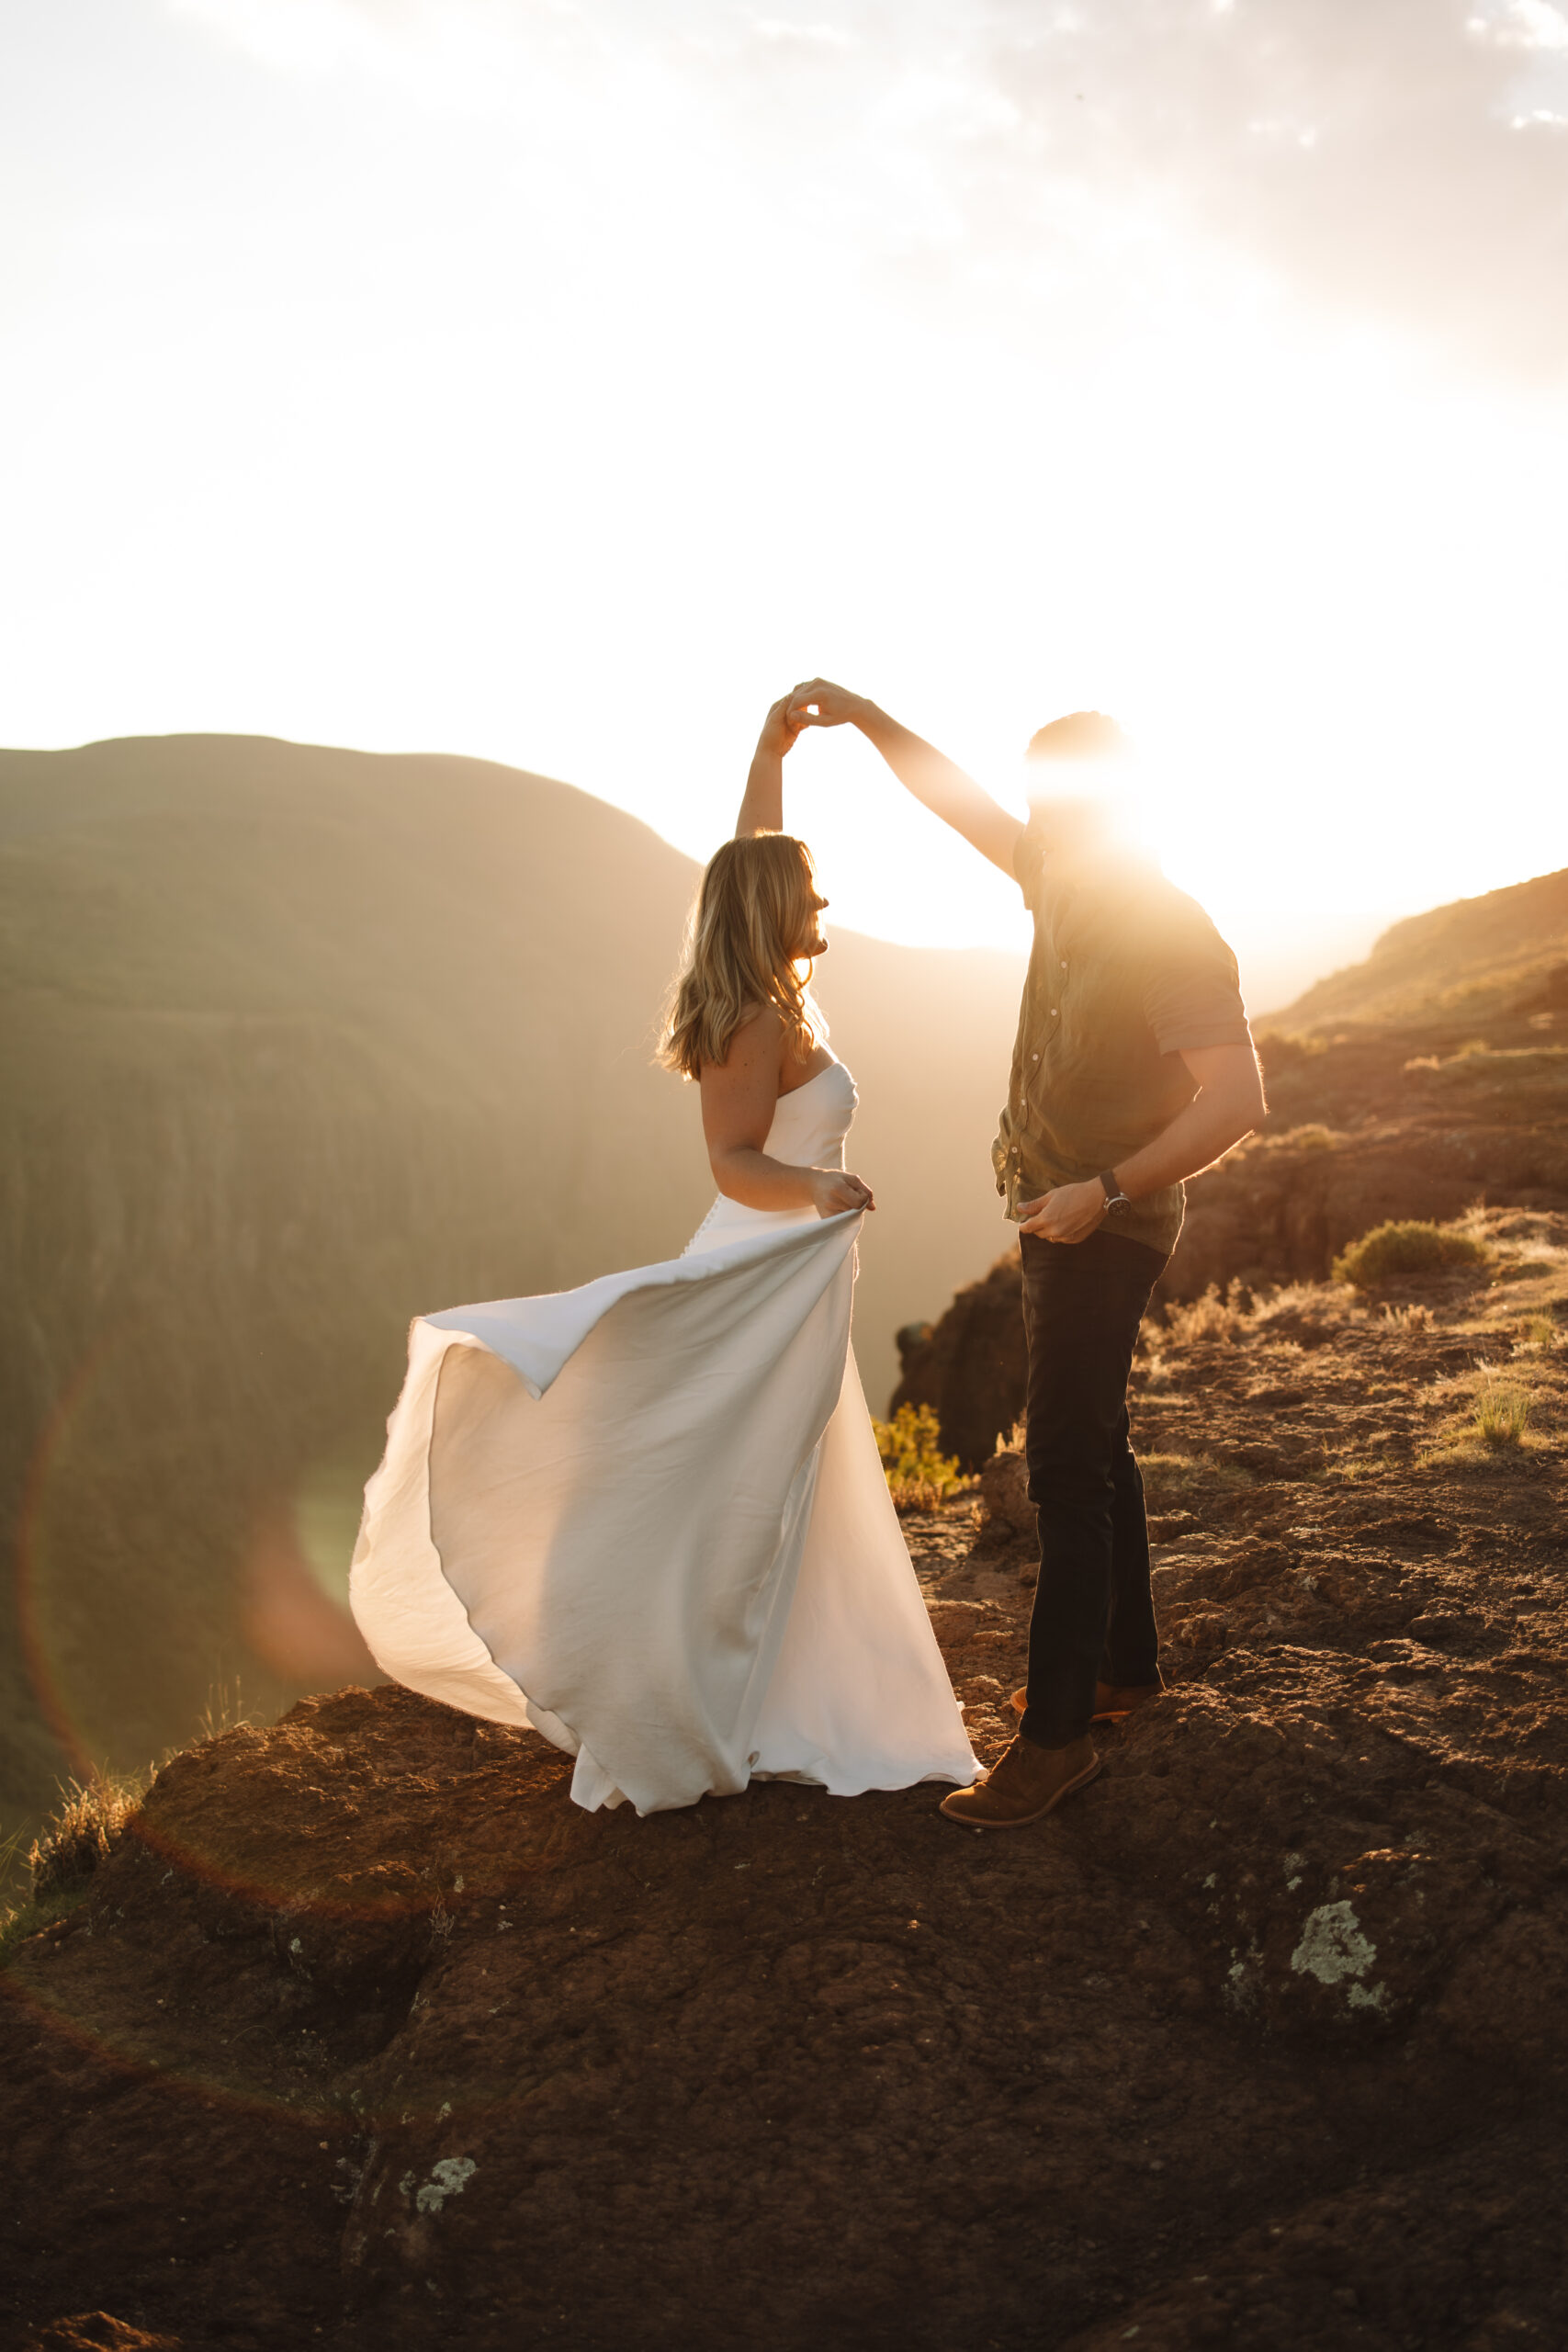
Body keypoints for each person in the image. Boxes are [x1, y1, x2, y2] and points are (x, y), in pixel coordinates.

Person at [349, 695, 977, 1816]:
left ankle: (779, 1687)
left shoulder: (778, 985)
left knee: (787, 1481)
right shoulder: (753, 1022)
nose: (826, 899)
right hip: (762, 1271)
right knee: (731, 1486)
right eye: (812, 890)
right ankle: (673, 1693)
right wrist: (820, 1186)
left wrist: (768, 757)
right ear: (779, 911)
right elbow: (734, 1160)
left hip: (801, 1272)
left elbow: (742, 870)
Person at [785, 682, 1265, 1831]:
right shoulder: (1060, 879)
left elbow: (1241, 1098)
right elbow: (957, 802)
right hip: (1061, 1218)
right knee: (1099, 1443)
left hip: (1109, 1227)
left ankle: (1053, 1743)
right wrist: (864, 716)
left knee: (1062, 1469)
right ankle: (1123, 1670)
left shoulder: (1169, 928)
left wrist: (1106, 1191)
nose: (1039, 821)